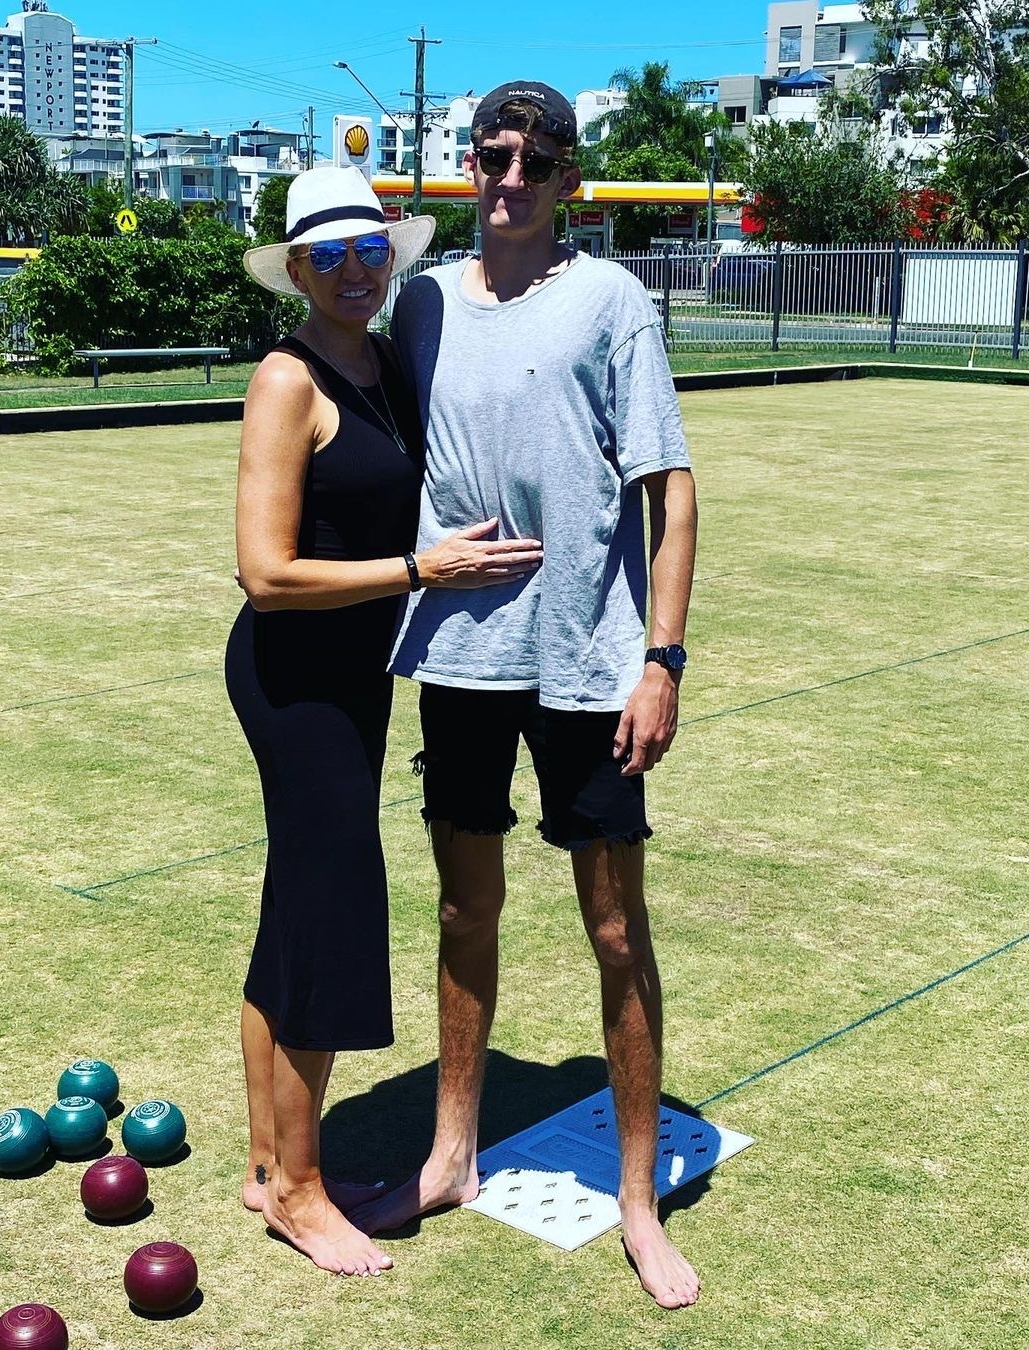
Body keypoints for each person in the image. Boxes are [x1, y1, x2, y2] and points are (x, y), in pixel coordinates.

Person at [350, 85, 701, 1310]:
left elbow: (670, 489)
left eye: (534, 162)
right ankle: (451, 1156)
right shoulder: (423, 303)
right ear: (470, 166)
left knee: (615, 930)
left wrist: (661, 661)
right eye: (491, 156)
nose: (508, 178)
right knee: (465, 910)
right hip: (459, 654)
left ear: (567, 181)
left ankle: (639, 1201)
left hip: (588, 662)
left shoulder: (611, 298)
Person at [228, 167, 543, 1279]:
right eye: (331, 257)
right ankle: (301, 1192)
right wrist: (421, 570)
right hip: (293, 678)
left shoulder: (383, 363)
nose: (355, 272)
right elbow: (266, 574)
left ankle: (267, 1162)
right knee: (334, 911)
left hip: (357, 676)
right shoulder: (288, 379)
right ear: (297, 271)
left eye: (371, 251)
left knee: (295, 908)